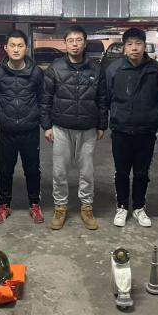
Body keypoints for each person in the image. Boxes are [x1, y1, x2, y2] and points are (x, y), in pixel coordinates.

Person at [40, 25, 108, 230]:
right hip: (61, 127)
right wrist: (47, 125)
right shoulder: (55, 68)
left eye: (79, 40)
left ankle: (87, 207)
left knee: (87, 172)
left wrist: (102, 124)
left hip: (88, 128)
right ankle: (60, 207)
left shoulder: (96, 69)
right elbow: (46, 98)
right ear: (65, 43)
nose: (75, 44)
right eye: (71, 40)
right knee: (60, 172)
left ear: (85, 43)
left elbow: (102, 99)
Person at [106, 28, 158, 228]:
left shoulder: (155, 69)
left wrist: (153, 117)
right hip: (121, 130)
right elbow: (107, 97)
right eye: (130, 44)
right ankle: (122, 206)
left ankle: (139, 207)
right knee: (122, 172)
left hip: (146, 131)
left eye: (138, 44)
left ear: (144, 46)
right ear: (124, 47)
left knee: (142, 173)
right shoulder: (114, 69)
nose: (134, 48)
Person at [0, 30, 44, 224]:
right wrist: (6, 115)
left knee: (32, 170)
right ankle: (4, 205)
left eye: (20, 45)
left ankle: (34, 204)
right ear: (5, 48)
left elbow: (41, 97)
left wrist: (33, 115)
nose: (16, 49)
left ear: (26, 48)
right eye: (12, 45)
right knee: (4, 170)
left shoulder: (36, 72)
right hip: (6, 130)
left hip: (30, 130)